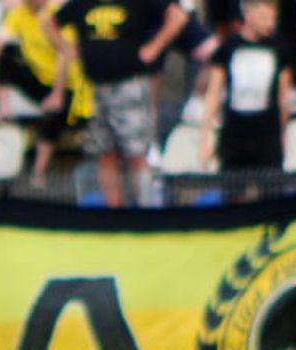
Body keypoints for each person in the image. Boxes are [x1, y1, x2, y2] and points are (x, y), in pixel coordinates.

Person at [44, 0, 188, 206]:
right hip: (96, 86)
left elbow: (178, 17)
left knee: (136, 154)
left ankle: (146, 209)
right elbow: (49, 22)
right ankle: (115, 212)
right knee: (105, 154)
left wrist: (154, 47)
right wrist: (65, 49)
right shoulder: (81, 3)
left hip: (129, 84)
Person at [0, 0, 93, 183]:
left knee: (53, 115)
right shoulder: (19, 13)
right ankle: (3, 110)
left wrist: (57, 94)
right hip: (39, 80)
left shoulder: (57, 15)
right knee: (5, 58)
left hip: (67, 84)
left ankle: (38, 173)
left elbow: (65, 55)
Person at [200, 0, 294, 186]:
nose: (269, 23)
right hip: (235, 134)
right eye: (263, 17)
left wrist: (284, 133)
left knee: (270, 192)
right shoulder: (228, 49)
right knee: (233, 191)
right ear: (248, 15)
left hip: (267, 134)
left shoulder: (280, 49)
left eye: (272, 18)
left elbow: (283, 97)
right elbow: (213, 94)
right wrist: (207, 136)